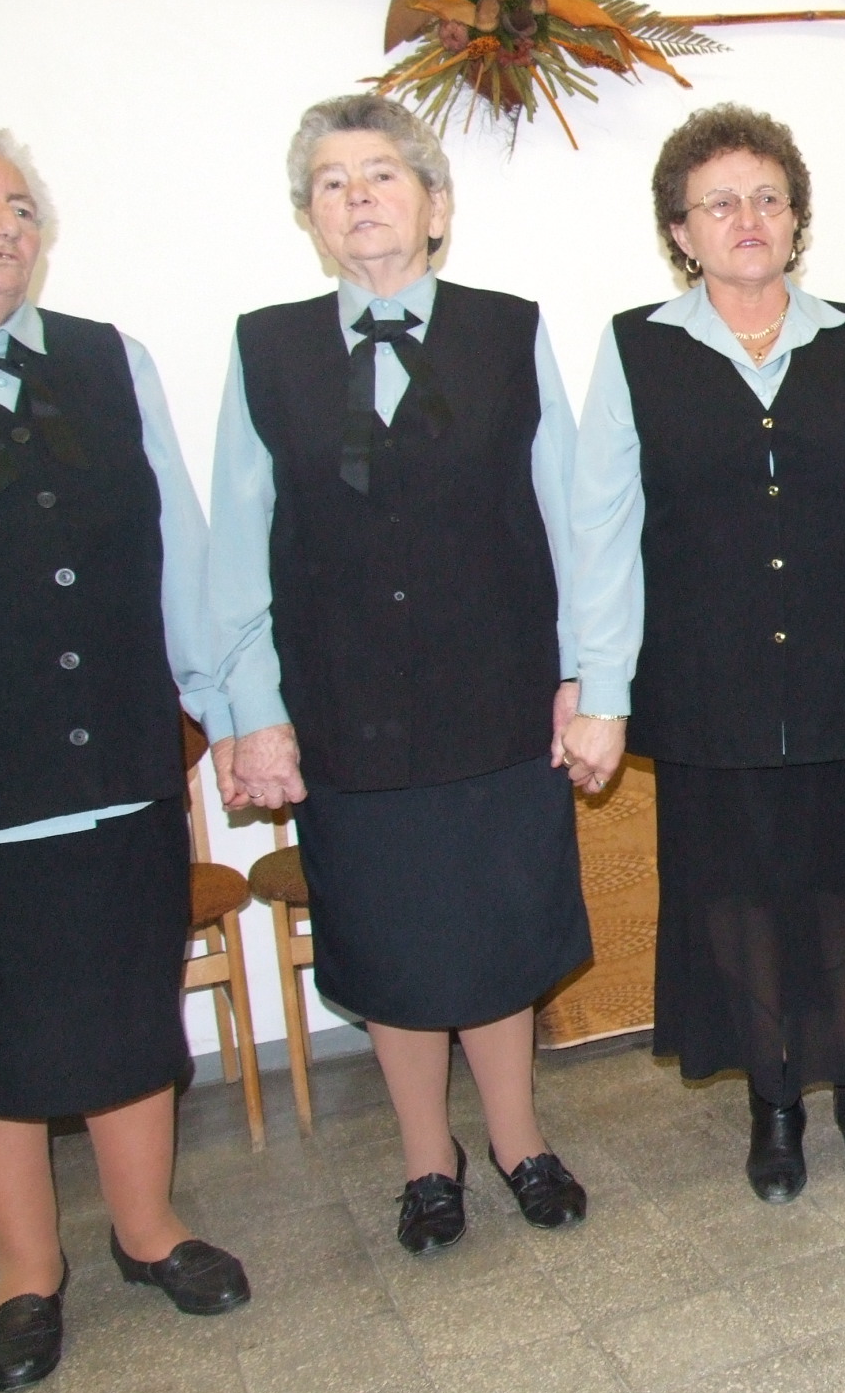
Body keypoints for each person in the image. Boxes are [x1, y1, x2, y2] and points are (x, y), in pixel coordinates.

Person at [561, 103, 845, 1205]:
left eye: (766, 197)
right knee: (736, 896)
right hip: (705, 685)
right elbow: (602, 529)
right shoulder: (635, 349)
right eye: (719, 203)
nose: (746, 217)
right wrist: (600, 690)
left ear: (797, 219)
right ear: (680, 231)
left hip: (844, 672)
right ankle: (774, 1099)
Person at [211, 95, 592, 1255]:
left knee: (498, 929)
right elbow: (237, 545)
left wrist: (584, 675)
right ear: (310, 218)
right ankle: (429, 1160)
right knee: (390, 940)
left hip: (499, 693)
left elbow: (567, 516)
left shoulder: (508, 330)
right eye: (331, 183)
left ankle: (519, 1140)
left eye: (381, 173)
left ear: (435, 205)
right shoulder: (266, 348)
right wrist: (253, 711)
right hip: (344, 708)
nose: (358, 197)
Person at [0, 128, 249, 1393]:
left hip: (120, 760)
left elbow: (180, 551)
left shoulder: (109, 360)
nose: (5, 232)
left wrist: (222, 709)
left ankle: (147, 1230)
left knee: (128, 1004)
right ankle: (23, 1272)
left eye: (19, 209)